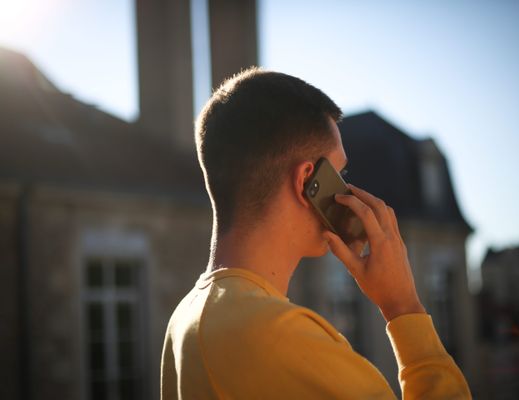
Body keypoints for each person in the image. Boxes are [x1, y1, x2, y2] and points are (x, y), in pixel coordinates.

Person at [160, 68, 472, 399]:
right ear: (307, 180)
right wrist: (403, 305)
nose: (347, 190)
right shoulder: (282, 337)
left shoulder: (183, 323)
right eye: (338, 173)